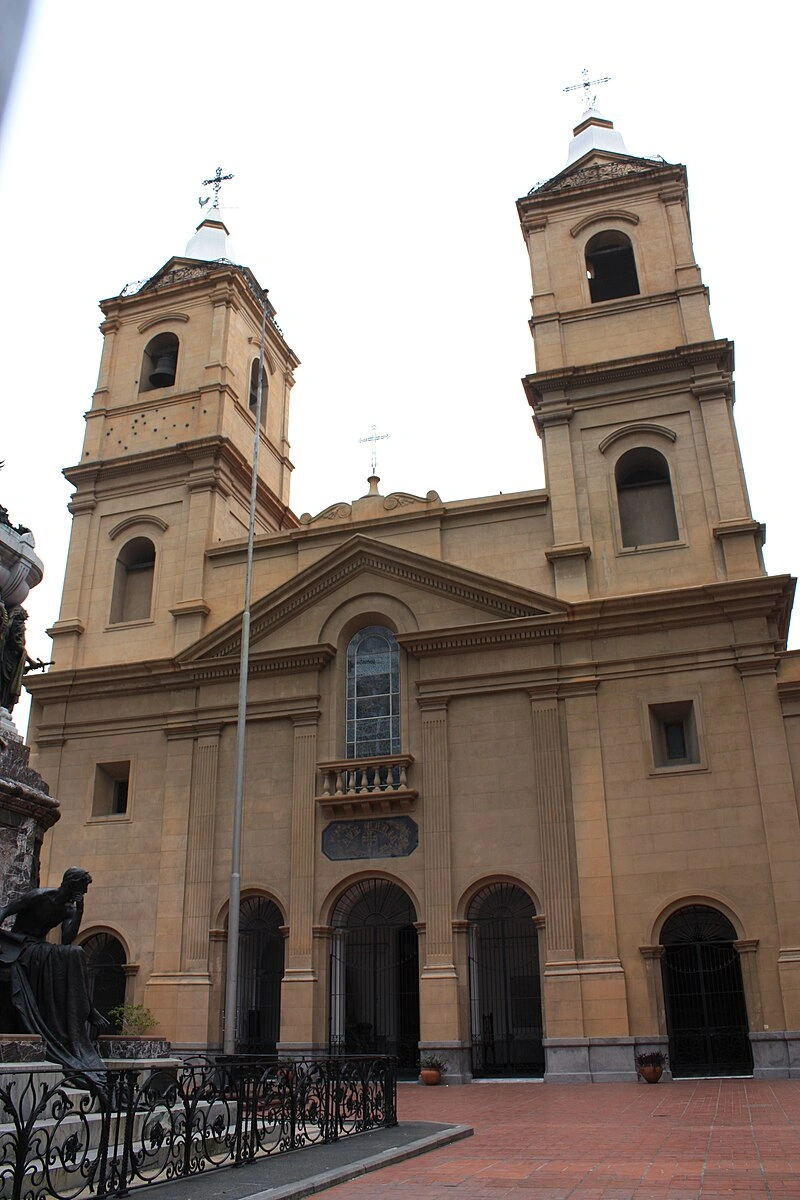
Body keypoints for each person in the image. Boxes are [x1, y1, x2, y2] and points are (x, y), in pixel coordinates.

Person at [0, 867, 106, 1083]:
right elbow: (5, 911)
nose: (84, 892)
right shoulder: (40, 896)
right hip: (17, 945)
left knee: (74, 952)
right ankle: (89, 1010)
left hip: (38, 948)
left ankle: (86, 1009)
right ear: (73, 884)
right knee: (71, 954)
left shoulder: (69, 909)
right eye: (83, 889)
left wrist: (80, 908)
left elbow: (67, 938)